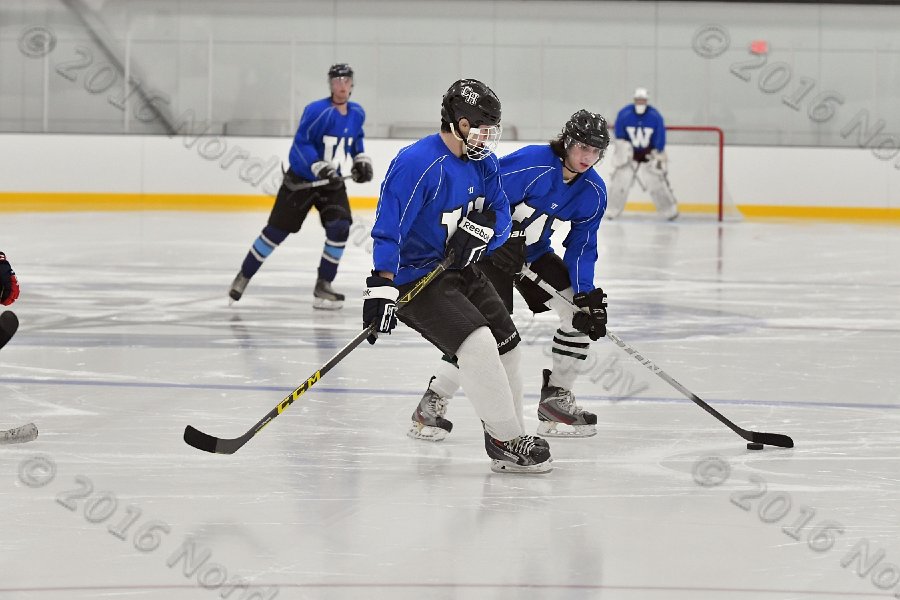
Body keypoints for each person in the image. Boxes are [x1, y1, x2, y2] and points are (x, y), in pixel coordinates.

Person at [362, 79, 552, 474]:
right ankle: (503, 439)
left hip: (462, 271)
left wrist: (484, 233)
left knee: (509, 347)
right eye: (482, 128)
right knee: (479, 345)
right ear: (459, 123)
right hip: (418, 279)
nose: (487, 137)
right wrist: (381, 284)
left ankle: (511, 433)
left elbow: (500, 212)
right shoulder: (416, 162)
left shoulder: (484, 163)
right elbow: (388, 226)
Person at [407, 110, 611, 442]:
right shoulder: (533, 162)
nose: (588, 157)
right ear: (568, 142)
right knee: (484, 335)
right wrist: (499, 234)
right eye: (583, 147)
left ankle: (556, 398)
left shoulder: (593, 192)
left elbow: (582, 246)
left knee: (578, 312)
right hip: (490, 256)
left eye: (596, 150)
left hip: (534, 255)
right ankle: (433, 400)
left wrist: (586, 293)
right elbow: (485, 194)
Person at [228, 63, 373, 309]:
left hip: (331, 184)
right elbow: (301, 145)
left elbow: (355, 140)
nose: (341, 86)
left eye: (345, 80)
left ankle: (323, 284)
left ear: (352, 84)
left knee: (340, 228)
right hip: (301, 183)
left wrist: (361, 161)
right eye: (336, 81)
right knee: (275, 233)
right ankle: (244, 274)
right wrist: (319, 166)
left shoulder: (357, 113)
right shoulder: (317, 111)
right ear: (330, 84)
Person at [606, 87, 678, 220]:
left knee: (656, 184)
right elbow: (620, 137)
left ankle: (670, 211)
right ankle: (611, 210)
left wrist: (655, 152)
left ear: (647, 101)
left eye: (643, 100)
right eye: (638, 100)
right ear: (634, 100)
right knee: (620, 182)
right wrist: (626, 152)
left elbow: (660, 137)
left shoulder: (655, 116)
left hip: (648, 156)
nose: (640, 103)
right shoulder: (624, 114)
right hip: (628, 157)